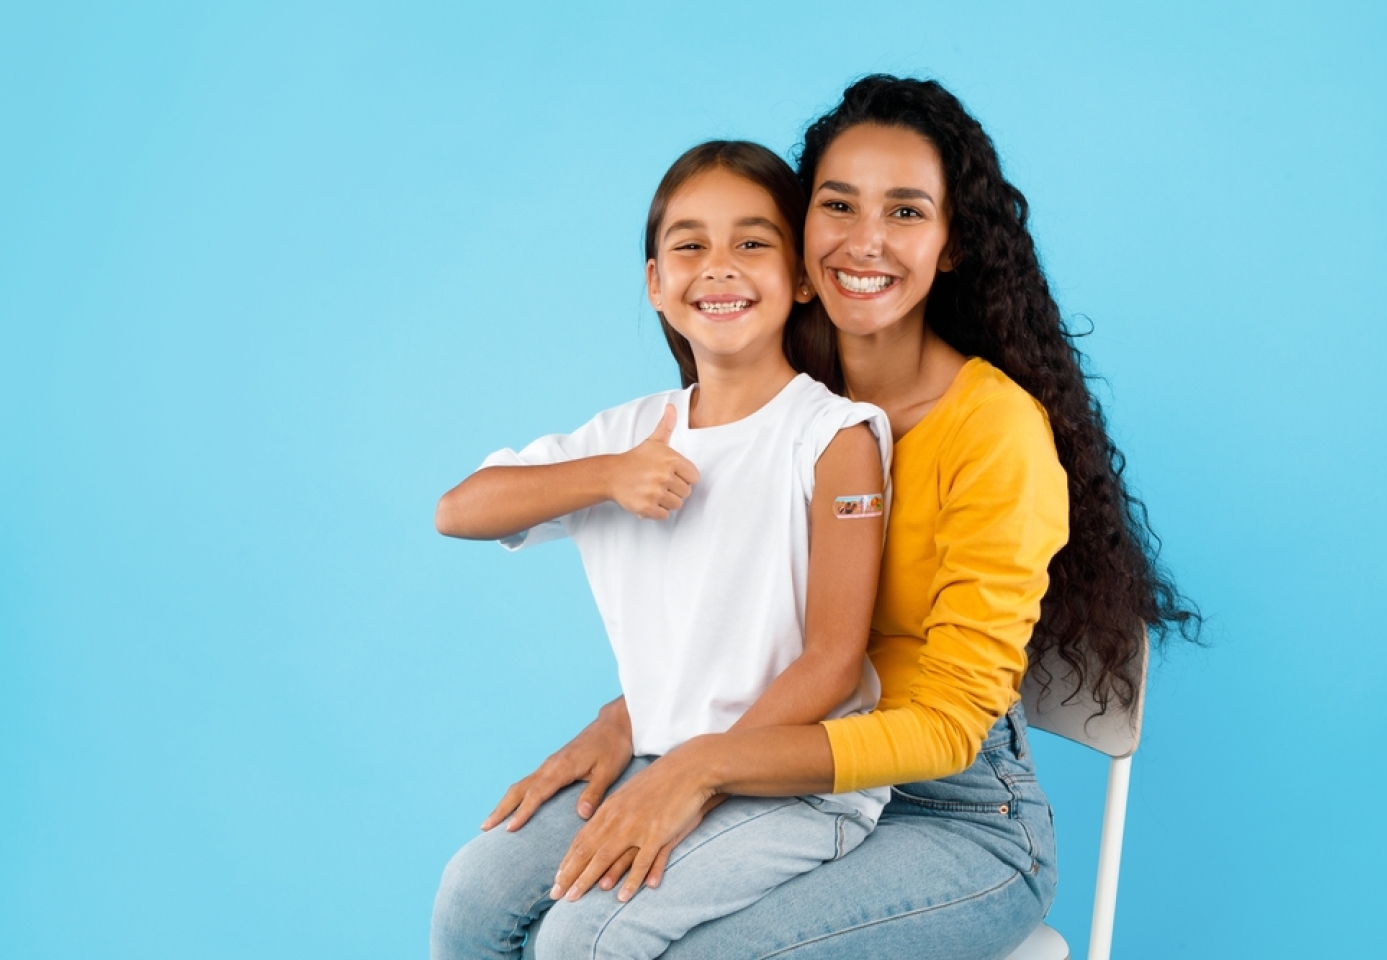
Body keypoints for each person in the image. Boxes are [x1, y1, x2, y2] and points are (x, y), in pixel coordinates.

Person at [506, 76, 1199, 959]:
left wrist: (699, 764)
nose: (866, 240)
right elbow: (730, 618)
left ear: (952, 245)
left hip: (954, 815)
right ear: (801, 234)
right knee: (500, 909)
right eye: (839, 204)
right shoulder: (788, 396)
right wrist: (630, 720)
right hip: (779, 771)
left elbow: (947, 729)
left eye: (906, 212)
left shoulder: (995, 433)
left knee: (638, 948)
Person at [429, 141, 897, 960]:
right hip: (658, 757)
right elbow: (459, 509)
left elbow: (831, 660)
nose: (719, 267)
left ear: (798, 279)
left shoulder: (833, 438)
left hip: (797, 786)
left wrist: (699, 776)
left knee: (584, 937)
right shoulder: (626, 437)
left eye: (752, 243)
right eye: (689, 245)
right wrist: (609, 476)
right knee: (472, 893)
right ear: (654, 282)